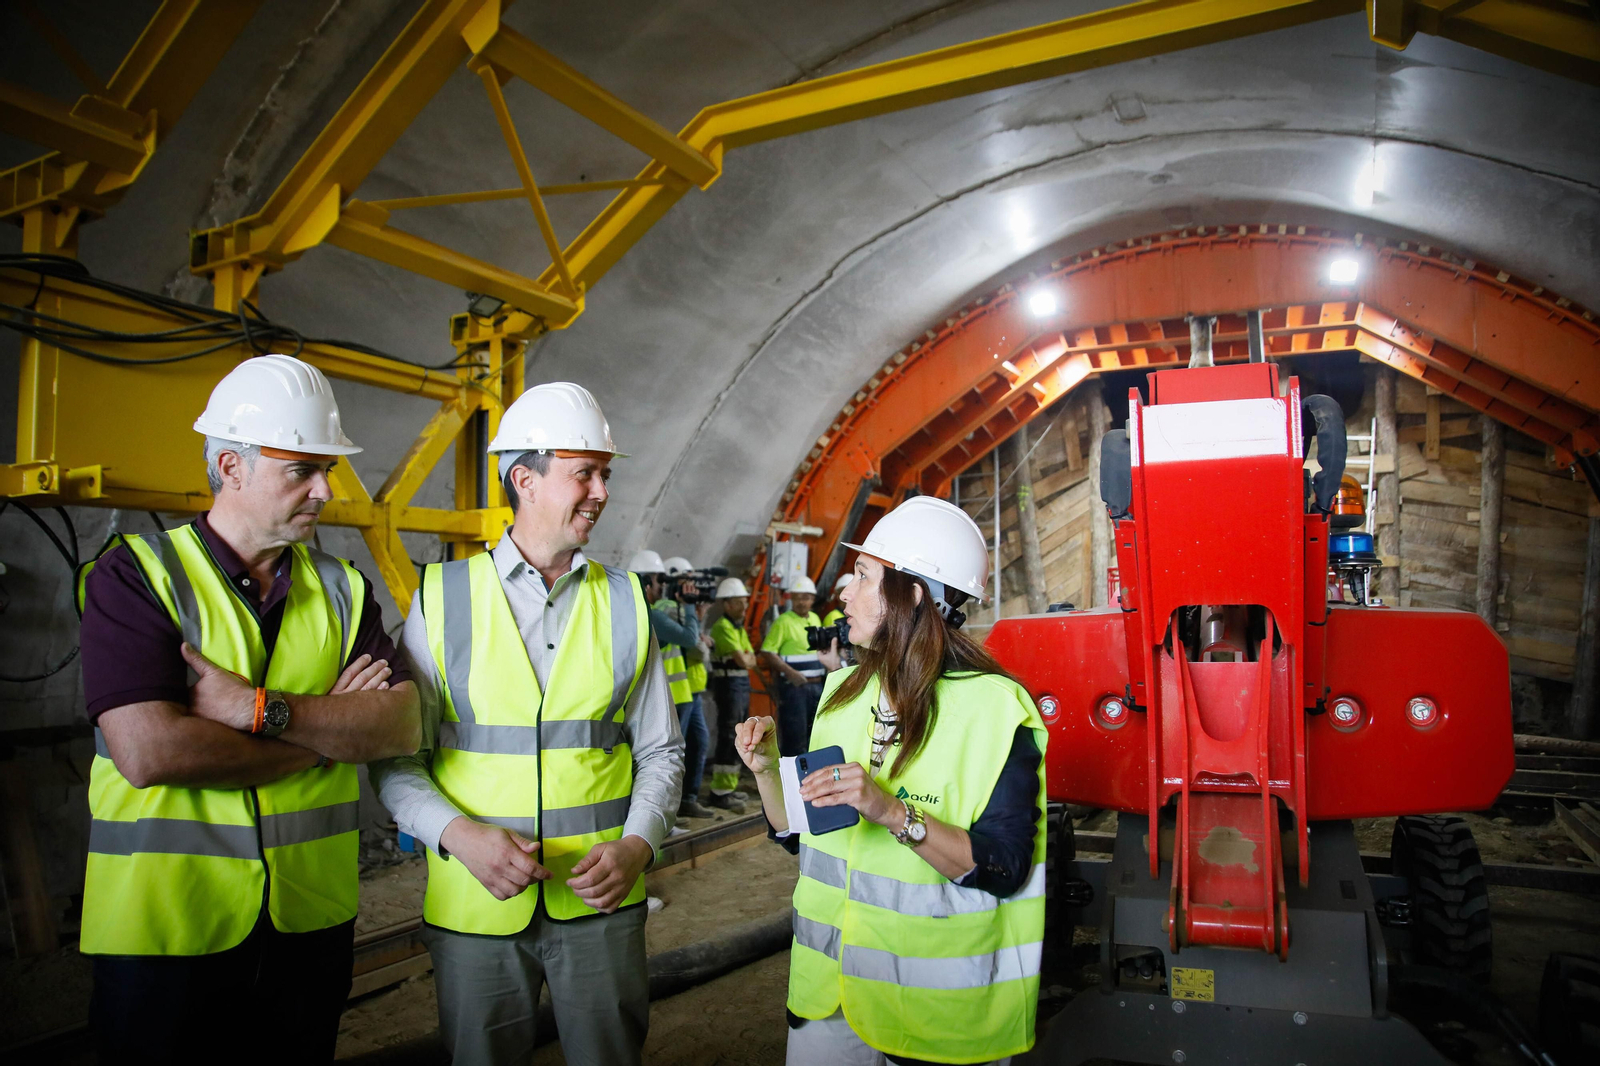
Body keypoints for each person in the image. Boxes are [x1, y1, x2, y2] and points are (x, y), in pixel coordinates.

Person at [76, 353, 422, 1063]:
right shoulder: (135, 577)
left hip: (306, 928)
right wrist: (329, 735)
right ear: (231, 469)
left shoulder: (343, 589)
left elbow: (400, 724)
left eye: (327, 469)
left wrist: (259, 710)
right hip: (165, 930)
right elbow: (151, 753)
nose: (326, 490)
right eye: (302, 469)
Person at [370, 382, 685, 1066]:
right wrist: (459, 836)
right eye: (585, 473)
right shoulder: (442, 597)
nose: (602, 491)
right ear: (525, 479)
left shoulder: (628, 601)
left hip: (600, 903)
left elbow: (661, 751)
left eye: (605, 473)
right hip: (474, 909)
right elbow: (396, 760)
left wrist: (639, 847)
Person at [735, 495, 1048, 1065]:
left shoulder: (996, 710)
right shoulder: (844, 693)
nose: (844, 592)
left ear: (913, 594)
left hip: (934, 1015)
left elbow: (1004, 867)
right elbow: (803, 835)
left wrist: (891, 812)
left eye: (862, 575)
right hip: (827, 1001)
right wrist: (765, 773)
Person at [630, 550, 715, 819]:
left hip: (679, 692)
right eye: (659, 581)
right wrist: (690, 606)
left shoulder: (648, 611)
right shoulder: (655, 614)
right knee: (665, 759)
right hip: (668, 694)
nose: (663, 586)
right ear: (646, 583)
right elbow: (690, 639)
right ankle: (663, 816)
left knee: (691, 746)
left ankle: (675, 809)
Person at [706, 577, 758, 811]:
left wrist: (746, 658)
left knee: (739, 735)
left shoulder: (736, 627)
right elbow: (743, 659)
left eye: (744, 603)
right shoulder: (722, 627)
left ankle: (729, 787)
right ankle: (719, 792)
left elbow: (751, 659)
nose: (744, 608)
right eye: (738, 603)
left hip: (739, 686)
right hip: (728, 687)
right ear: (726, 604)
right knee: (729, 736)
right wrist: (745, 658)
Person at [759, 575, 826, 755]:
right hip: (795, 688)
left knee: (816, 736)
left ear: (812, 599)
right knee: (794, 737)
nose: (801, 602)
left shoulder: (815, 619)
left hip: (817, 685)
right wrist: (790, 673)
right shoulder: (783, 621)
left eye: (805, 597)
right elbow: (767, 651)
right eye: (796, 597)